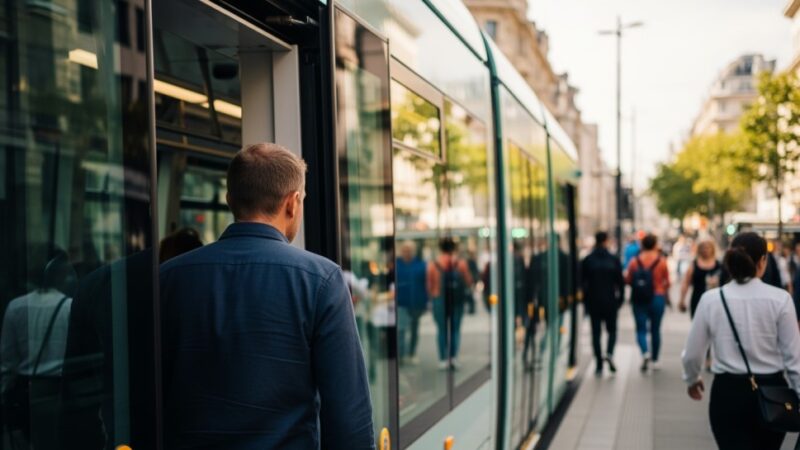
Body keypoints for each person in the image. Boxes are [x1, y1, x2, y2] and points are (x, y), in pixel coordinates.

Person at [160, 143, 374, 449]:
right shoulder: (321, 280)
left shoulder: (168, 277)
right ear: (292, 203)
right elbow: (348, 415)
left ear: (230, 200)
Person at [682, 232, 800, 450]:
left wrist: (692, 379)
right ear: (762, 261)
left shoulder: (711, 299)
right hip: (773, 394)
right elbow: (795, 360)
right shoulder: (780, 300)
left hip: (728, 393)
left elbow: (692, 353)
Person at [581, 231, 624, 376]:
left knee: (596, 333)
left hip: (593, 302)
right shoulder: (613, 259)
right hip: (610, 301)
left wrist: (585, 301)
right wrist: (620, 300)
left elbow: (581, 283)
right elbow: (620, 282)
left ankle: (599, 363)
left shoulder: (588, 259)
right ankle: (610, 353)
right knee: (612, 330)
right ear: (606, 241)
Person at [625, 234, 670, 372]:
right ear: (655, 244)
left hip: (639, 299)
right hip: (657, 297)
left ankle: (645, 352)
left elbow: (628, 280)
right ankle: (655, 360)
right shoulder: (661, 261)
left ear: (642, 244)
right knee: (655, 330)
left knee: (641, 329)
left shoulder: (634, 261)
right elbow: (667, 282)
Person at [427, 237, 473, 370]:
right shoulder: (460, 263)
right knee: (455, 330)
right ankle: (453, 358)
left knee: (441, 330)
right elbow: (468, 281)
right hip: (456, 300)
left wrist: (431, 298)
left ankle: (442, 359)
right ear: (454, 248)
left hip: (439, 299)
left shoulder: (434, 263)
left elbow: (429, 284)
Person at [395, 240, 428, 364]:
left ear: (413, 252)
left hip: (417, 302)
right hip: (401, 303)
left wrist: (426, 302)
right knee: (401, 330)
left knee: (414, 329)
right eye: (404, 250)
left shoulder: (421, 265)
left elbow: (425, 284)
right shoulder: (396, 264)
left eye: (409, 250)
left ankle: (412, 353)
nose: (406, 253)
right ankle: (401, 355)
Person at [679, 240, 726, 318]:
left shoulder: (720, 265)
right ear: (699, 249)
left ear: (713, 249)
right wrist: (682, 300)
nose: (705, 250)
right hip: (698, 300)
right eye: (703, 248)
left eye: (708, 247)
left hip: (716, 302)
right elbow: (686, 283)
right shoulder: (693, 265)